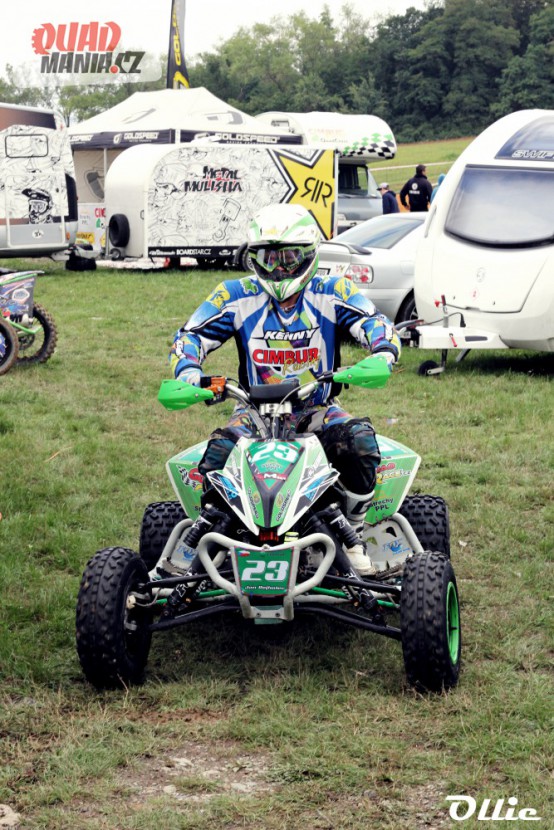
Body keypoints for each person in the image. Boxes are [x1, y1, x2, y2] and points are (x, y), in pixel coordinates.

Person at [152, 204, 401, 582]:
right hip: (253, 412)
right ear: (253, 257)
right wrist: (189, 372)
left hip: (317, 408)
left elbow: (374, 322)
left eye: (288, 258)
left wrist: (382, 353)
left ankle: (354, 532)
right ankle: (215, 537)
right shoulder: (235, 294)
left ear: (309, 255)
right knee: (217, 457)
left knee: (360, 444)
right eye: (268, 258)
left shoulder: (333, 290)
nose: (279, 269)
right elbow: (190, 336)